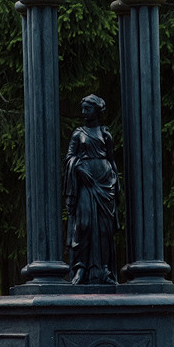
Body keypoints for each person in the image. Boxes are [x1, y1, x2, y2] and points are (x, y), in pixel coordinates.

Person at [63, 94, 119, 285]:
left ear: (97, 110)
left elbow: (111, 160)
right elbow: (69, 157)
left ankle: (104, 269)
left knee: (104, 228)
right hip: (86, 184)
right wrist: (78, 169)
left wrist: (114, 182)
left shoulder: (105, 134)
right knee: (84, 224)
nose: (84, 112)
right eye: (83, 108)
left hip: (105, 184)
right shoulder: (78, 134)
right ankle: (80, 268)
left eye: (87, 108)